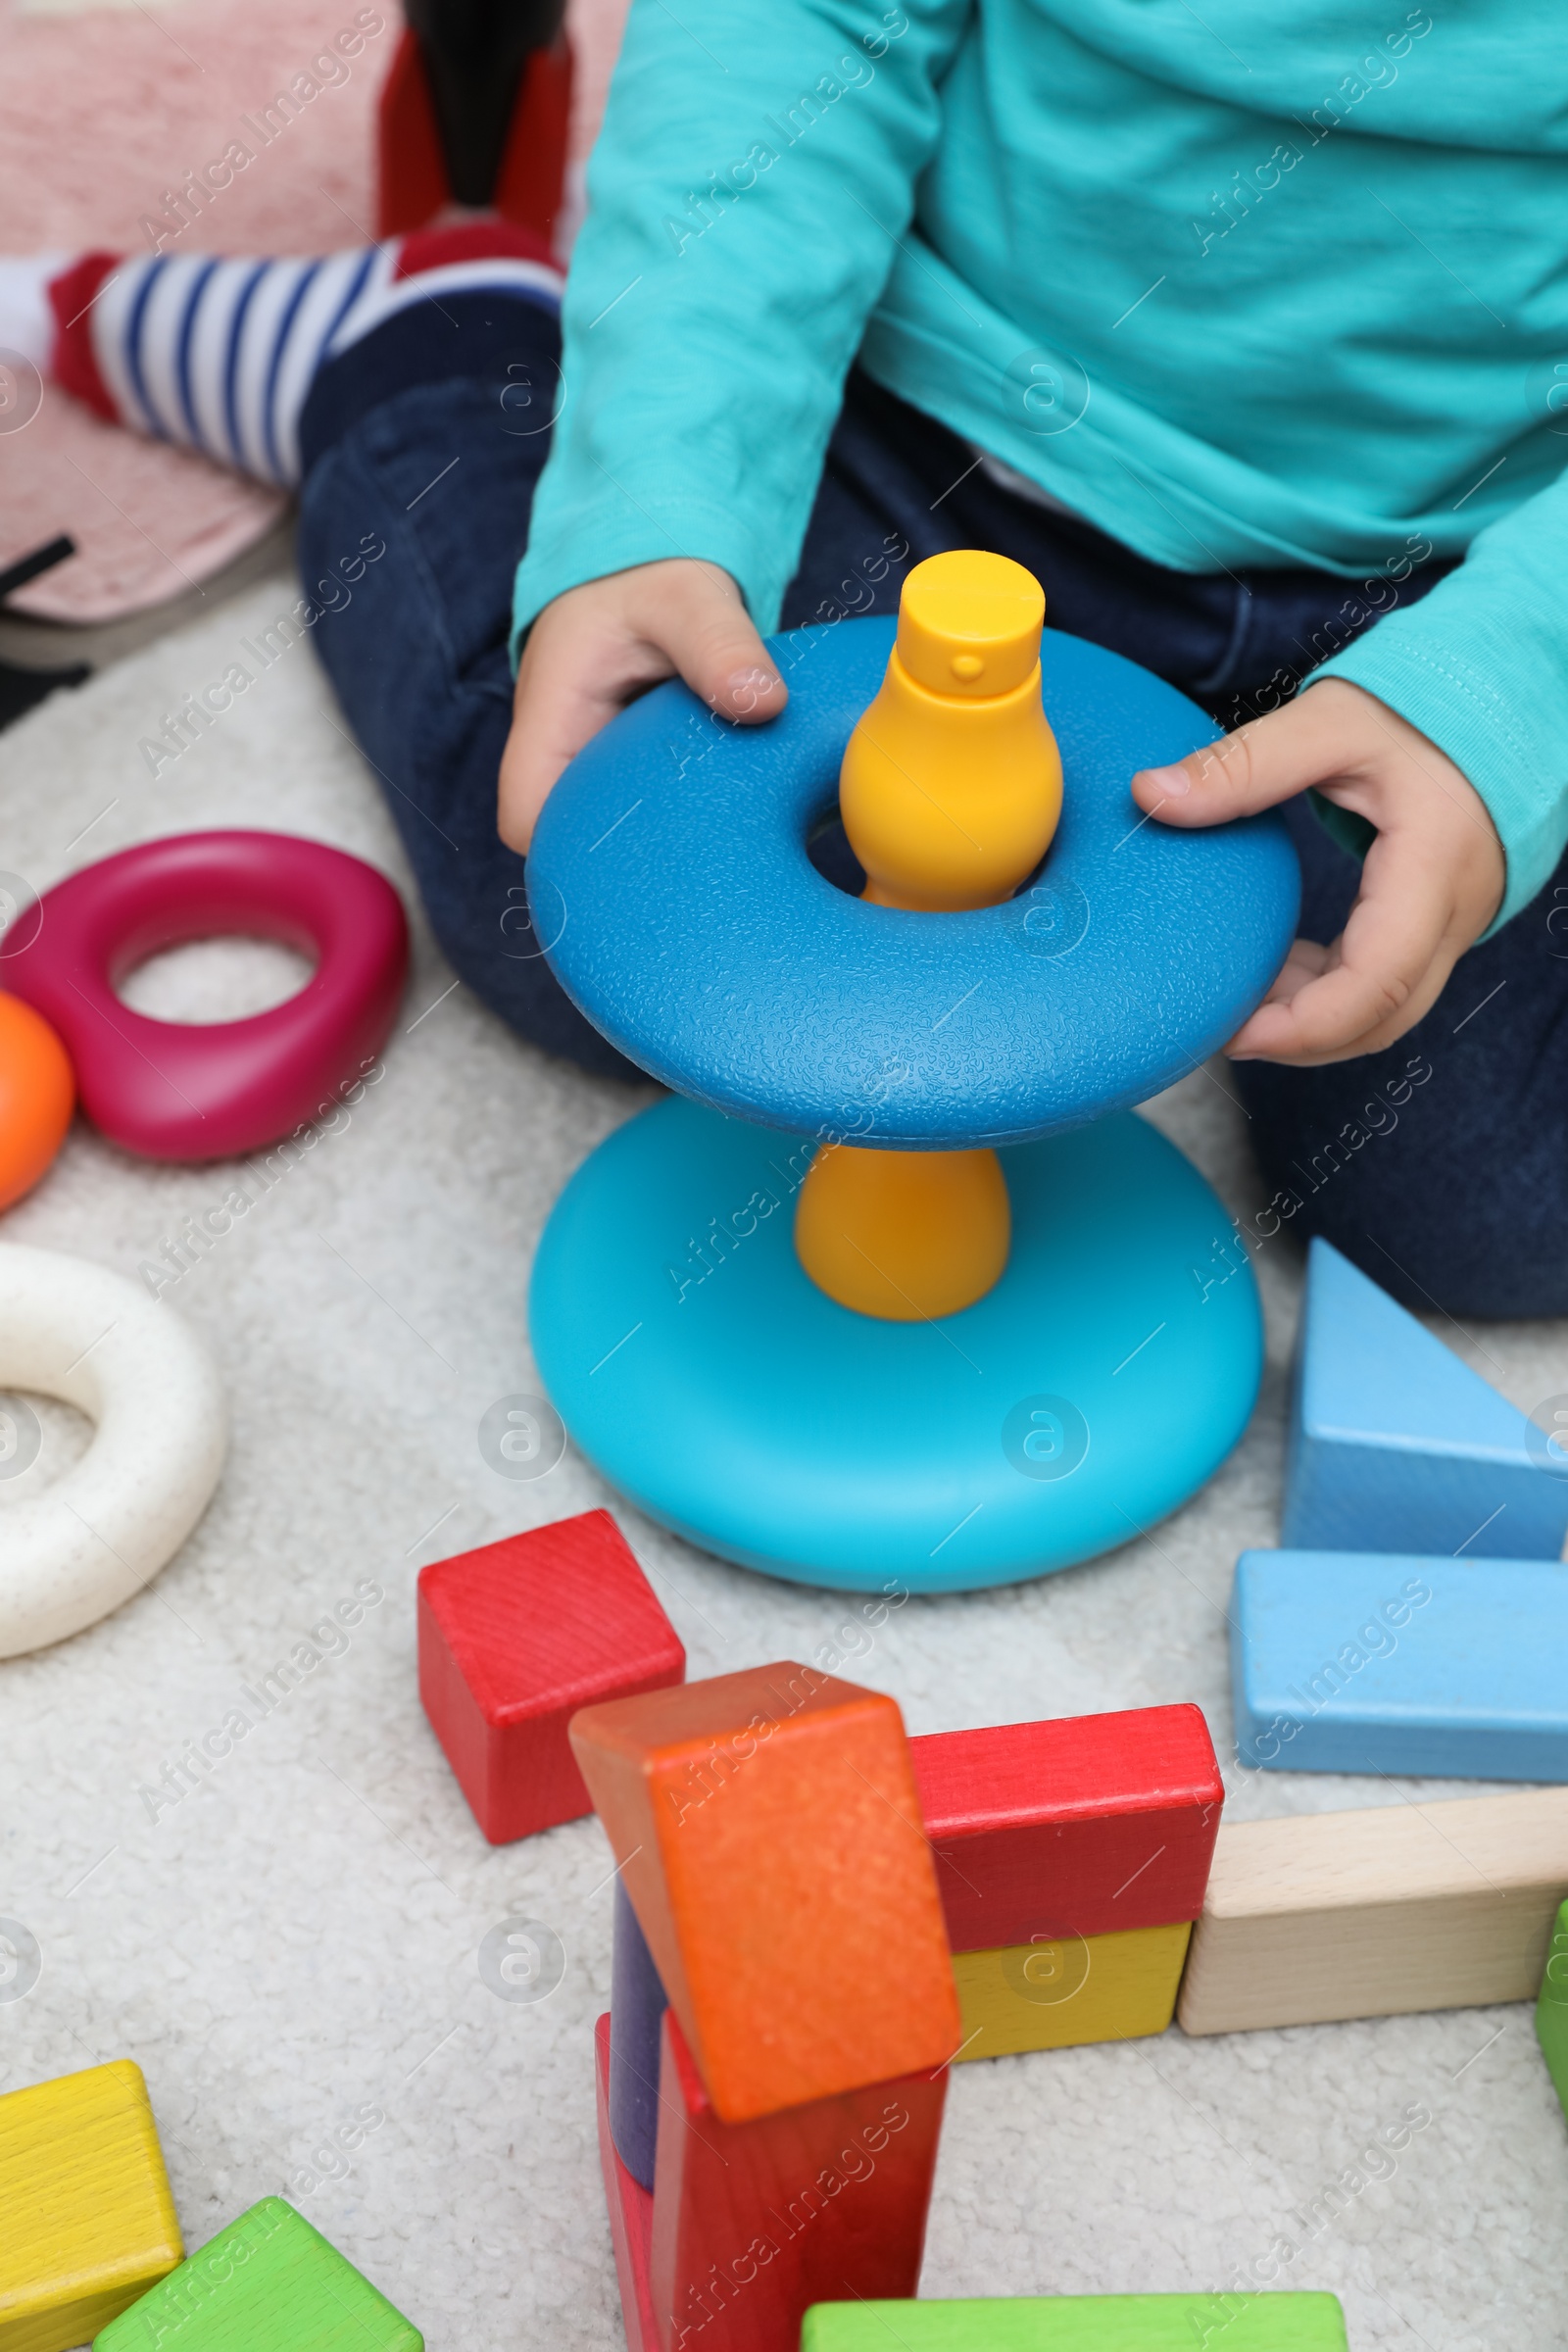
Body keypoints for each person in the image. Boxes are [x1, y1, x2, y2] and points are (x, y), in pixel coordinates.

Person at [6, 0, 1564, 1315]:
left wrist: (1504, 703)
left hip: (1474, 573)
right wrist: (661, 490)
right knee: (595, 912)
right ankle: (430, 351)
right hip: (917, 434)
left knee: (1470, 1211)